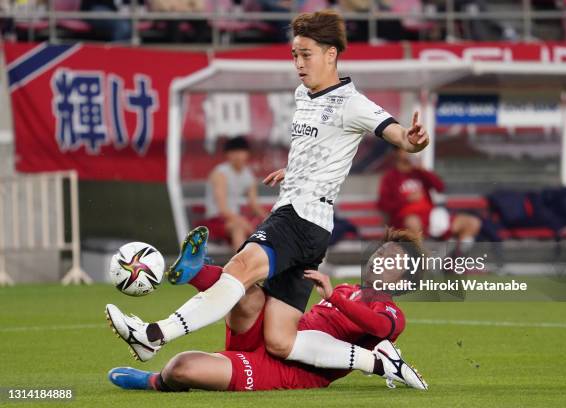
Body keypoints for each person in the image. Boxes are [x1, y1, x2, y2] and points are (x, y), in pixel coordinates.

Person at [105, 10, 429, 386]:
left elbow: (398, 135)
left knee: (239, 272)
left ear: (331, 55)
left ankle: (153, 335)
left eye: (306, 54)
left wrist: (413, 139)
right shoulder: (303, 95)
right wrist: (296, 172)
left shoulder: (352, 103)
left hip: (299, 218)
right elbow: (320, 148)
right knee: (280, 339)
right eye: (294, 54)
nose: (298, 63)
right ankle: (381, 364)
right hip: (310, 227)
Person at [107, 229, 427, 392]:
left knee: (181, 368)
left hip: (290, 369)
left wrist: (336, 298)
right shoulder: (345, 289)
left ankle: (154, 381)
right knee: (245, 289)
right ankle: (194, 273)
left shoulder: (390, 311)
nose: (381, 259)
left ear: (405, 277)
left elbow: (380, 328)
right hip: (277, 331)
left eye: (394, 259)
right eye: (382, 251)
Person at [377, 148, 481, 257]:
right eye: (406, 149)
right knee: (413, 222)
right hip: (405, 220)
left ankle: (455, 259)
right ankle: (423, 262)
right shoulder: (390, 177)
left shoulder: (419, 173)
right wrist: (406, 200)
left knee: (472, 223)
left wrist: (423, 170)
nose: (410, 153)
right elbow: (383, 205)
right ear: (398, 153)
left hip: (429, 216)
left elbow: (440, 187)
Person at [203, 136, 267, 251]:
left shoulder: (249, 175)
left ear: (247, 154)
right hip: (217, 220)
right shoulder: (220, 174)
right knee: (239, 228)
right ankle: (240, 266)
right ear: (227, 155)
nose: (238, 155)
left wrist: (270, 219)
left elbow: (254, 205)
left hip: (236, 219)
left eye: (241, 151)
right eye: (234, 152)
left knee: (266, 229)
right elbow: (222, 209)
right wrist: (242, 221)